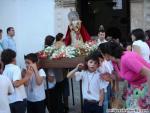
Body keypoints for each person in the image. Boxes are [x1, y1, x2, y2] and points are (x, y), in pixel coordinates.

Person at [98, 40, 150, 110]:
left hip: (145, 86)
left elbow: (148, 72)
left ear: (106, 54)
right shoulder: (115, 62)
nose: (101, 56)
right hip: (134, 88)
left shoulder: (126, 58)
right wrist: (110, 77)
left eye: (101, 53)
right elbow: (123, 76)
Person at [1, 49, 32, 113]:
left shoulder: (4, 70)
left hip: (9, 101)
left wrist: (23, 76)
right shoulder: (15, 68)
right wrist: (27, 77)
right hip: (19, 100)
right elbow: (16, 84)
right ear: (13, 58)